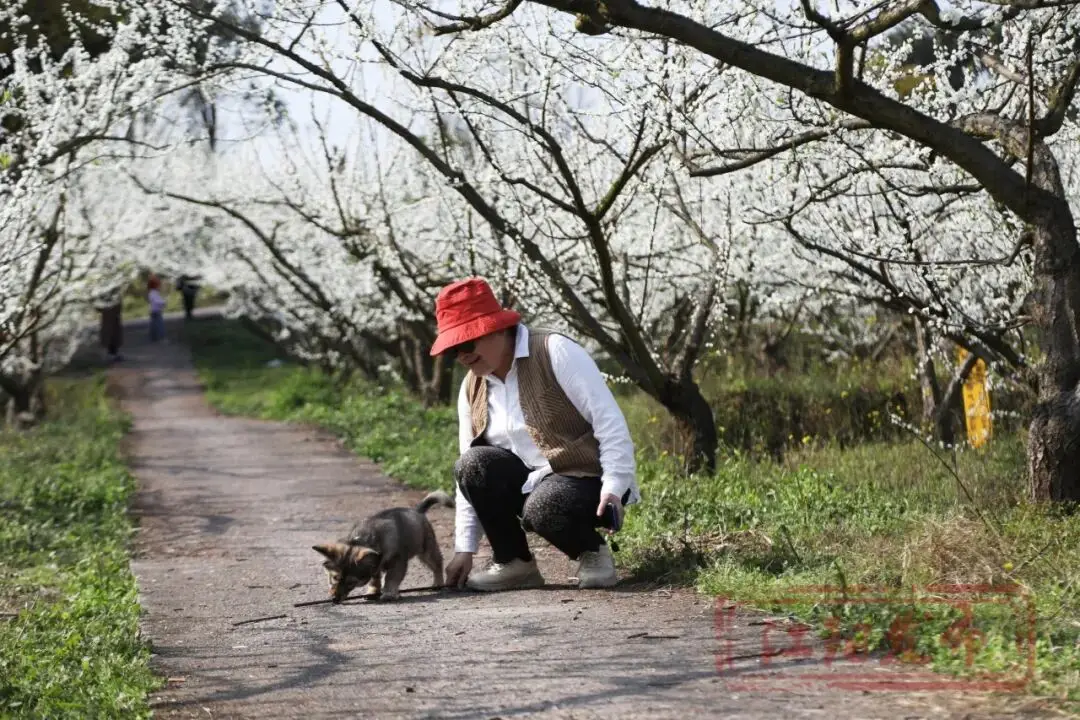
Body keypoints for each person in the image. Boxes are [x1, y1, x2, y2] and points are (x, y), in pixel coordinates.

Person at [430, 277, 640, 592]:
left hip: (586, 477)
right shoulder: (471, 386)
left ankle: (593, 553)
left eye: (467, 343)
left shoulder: (554, 350)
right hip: (531, 485)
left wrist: (613, 489)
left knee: (543, 505)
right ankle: (513, 562)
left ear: (495, 328)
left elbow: (610, 423)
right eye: (453, 350)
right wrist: (465, 549)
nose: (462, 356)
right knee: (471, 463)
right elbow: (468, 478)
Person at [147, 275, 167, 343]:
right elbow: (157, 301)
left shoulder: (153, 293)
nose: (159, 287)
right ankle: (160, 338)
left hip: (154, 311)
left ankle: (153, 337)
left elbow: (157, 300)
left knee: (154, 324)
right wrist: (163, 302)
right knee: (159, 325)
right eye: (158, 285)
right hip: (156, 311)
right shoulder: (153, 293)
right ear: (155, 286)